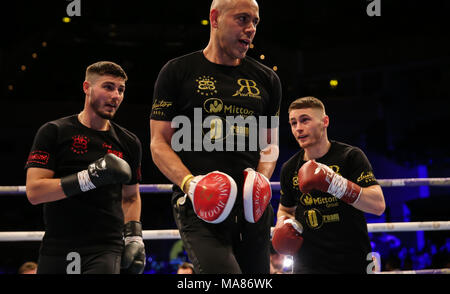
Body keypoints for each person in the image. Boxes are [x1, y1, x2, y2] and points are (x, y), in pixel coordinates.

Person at [150, 0, 282, 274]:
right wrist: (190, 184)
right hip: (199, 208)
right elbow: (159, 142)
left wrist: (261, 180)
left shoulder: (267, 80)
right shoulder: (177, 72)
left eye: (255, 22)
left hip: (252, 209)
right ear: (214, 18)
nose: (250, 29)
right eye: (242, 19)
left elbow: (270, 144)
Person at [25, 61, 145, 274]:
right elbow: (35, 192)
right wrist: (88, 177)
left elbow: (131, 197)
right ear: (87, 88)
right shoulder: (54, 132)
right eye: (108, 87)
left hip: (105, 247)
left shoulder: (128, 142)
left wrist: (134, 236)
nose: (116, 95)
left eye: (121, 90)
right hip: (57, 245)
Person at [272, 96, 385, 274]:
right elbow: (285, 209)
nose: (298, 128)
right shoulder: (289, 168)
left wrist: (335, 184)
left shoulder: (351, 156)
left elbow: (378, 205)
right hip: (307, 263)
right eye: (293, 123)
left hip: (352, 258)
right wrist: (284, 222)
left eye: (305, 120)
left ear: (325, 121)